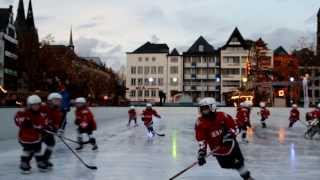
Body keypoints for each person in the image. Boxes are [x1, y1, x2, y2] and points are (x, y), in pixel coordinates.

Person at [195, 98, 254, 180]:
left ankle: (247, 177)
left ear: (213, 107)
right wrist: (202, 152)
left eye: (206, 108)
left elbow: (235, 127)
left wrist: (230, 135)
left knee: (239, 164)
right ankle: (243, 172)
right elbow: (201, 139)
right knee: (225, 165)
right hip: (218, 151)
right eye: (202, 109)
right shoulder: (200, 122)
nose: (203, 111)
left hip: (232, 147)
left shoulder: (222, 116)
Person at [14, 95, 49, 174]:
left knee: (38, 150)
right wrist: (24, 123)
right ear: (29, 105)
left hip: (36, 137)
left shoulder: (41, 114)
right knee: (27, 150)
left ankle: (39, 162)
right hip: (25, 137)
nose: (36, 106)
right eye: (34, 105)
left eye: (37, 104)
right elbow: (18, 120)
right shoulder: (23, 112)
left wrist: (44, 129)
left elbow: (43, 123)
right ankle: (24, 163)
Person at [41, 93, 63, 168]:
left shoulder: (57, 111)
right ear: (50, 100)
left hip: (47, 131)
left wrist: (56, 130)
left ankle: (45, 159)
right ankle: (25, 161)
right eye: (56, 100)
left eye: (59, 100)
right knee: (35, 146)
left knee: (51, 143)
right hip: (38, 131)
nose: (58, 102)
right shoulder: (43, 107)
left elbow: (56, 123)